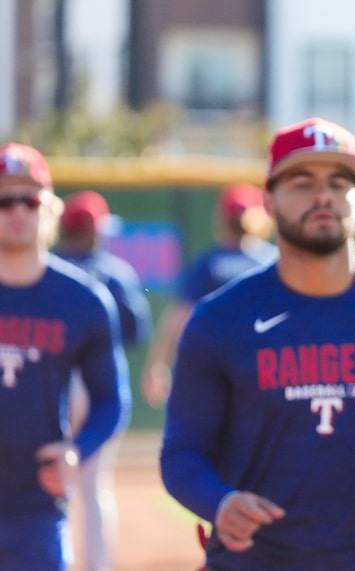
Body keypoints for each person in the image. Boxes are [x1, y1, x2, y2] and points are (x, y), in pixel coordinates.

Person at [160, 117, 355, 570]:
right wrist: (219, 501)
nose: (322, 196)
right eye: (302, 182)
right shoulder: (220, 318)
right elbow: (181, 453)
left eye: (338, 182)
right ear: (268, 201)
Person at [0, 143, 130, 571]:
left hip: (36, 507)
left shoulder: (83, 300)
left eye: (30, 200)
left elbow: (111, 399)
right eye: (4, 201)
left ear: (50, 209)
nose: (17, 211)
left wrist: (79, 450)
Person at [53, 189, 152, 571]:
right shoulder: (114, 271)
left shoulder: (50, 268)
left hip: (54, 385)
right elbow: (137, 331)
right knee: (94, 485)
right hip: (98, 385)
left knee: (54, 482)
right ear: (93, 230)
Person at [140, 182, 276, 407]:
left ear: (221, 219)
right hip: (267, 366)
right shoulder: (275, 262)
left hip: (219, 368)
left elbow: (179, 318)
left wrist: (158, 364)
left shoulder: (209, 264)